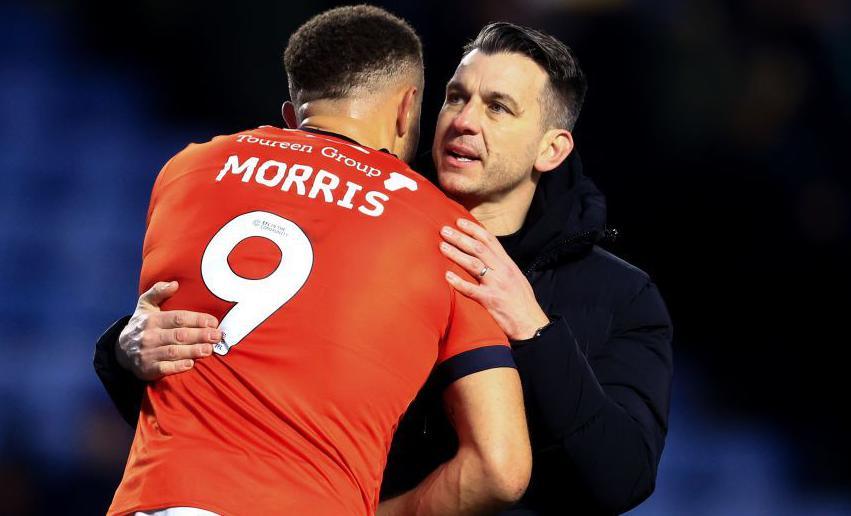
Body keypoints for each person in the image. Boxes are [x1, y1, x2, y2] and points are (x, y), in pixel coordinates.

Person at [96, 20, 673, 516]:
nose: (464, 120)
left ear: (552, 149)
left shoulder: (619, 294)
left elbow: (620, 478)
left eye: (498, 107)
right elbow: (234, 390)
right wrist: (124, 349)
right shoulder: (386, 219)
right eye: (454, 96)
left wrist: (533, 329)